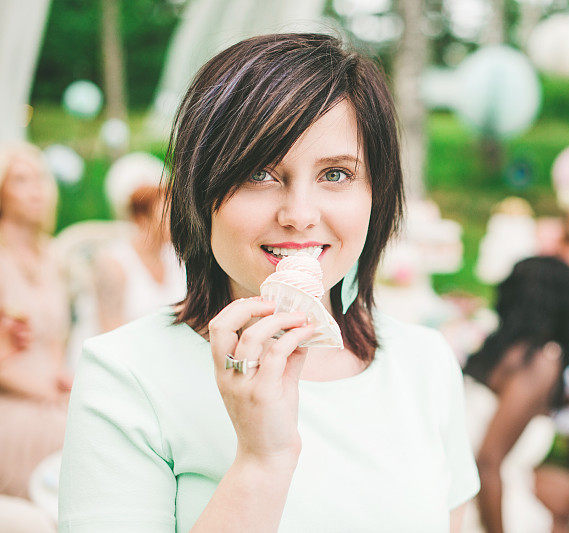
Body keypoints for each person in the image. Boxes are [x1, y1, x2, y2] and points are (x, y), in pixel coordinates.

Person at [58, 34, 480, 532]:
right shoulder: (126, 377)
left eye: (337, 175)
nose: (299, 215)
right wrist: (262, 462)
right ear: (199, 189)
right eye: (260, 172)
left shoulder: (424, 365)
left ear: (377, 195)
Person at [462, 256, 569, 533]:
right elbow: (487, 463)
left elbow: (510, 402)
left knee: (566, 491)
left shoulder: (504, 348)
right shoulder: (540, 361)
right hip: (476, 493)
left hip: (464, 475)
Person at [0, 142, 71, 499]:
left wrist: (61, 381)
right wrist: (44, 392)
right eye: (20, 180)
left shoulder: (53, 258)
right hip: (13, 404)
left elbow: (56, 340)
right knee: (81, 436)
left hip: (51, 396)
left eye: (40, 178)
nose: (36, 190)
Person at [93, 152, 186, 332]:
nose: (178, 217)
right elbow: (109, 332)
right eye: (166, 209)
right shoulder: (113, 263)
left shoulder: (176, 256)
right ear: (140, 217)